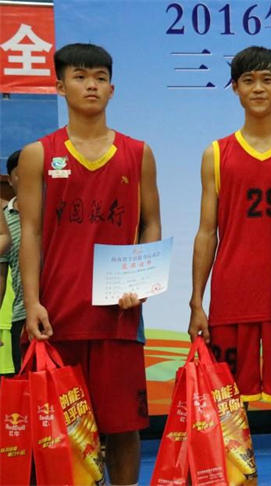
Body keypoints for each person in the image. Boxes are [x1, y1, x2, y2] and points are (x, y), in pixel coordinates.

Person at [18, 43, 161, 485]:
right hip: (57, 317)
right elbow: (31, 233)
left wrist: (143, 283)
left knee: (124, 429)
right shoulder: (39, 154)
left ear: (112, 89)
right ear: (60, 86)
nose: (91, 85)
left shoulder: (138, 153)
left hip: (118, 316)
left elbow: (151, 223)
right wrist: (32, 302)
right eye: (80, 76)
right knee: (60, 432)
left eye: (100, 77)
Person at [188, 45, 271, 486]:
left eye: (267, 79)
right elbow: (206, 231)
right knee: (230, 408)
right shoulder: (216, 153)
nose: (258, 88)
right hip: (232, 299)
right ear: (235, 89)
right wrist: (196, 302)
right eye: (248, 80)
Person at [0, 150, 25, 376]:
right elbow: (1, 274)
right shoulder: (4, 219)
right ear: (10, 180)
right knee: (28, 385)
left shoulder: (57, 213)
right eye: (21, 174)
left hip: (61, 315)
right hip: (22, 317)